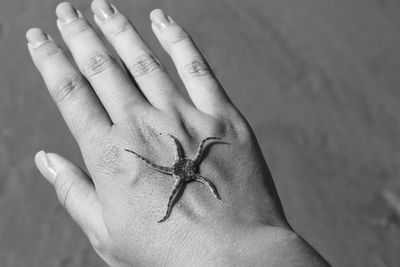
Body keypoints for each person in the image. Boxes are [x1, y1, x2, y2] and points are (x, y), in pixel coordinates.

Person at [26, 0, 331, 266]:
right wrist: (262, 238)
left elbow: (200, 171)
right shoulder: (185, 168)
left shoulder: (188, 170)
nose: (187, 169)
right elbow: (188, 164)